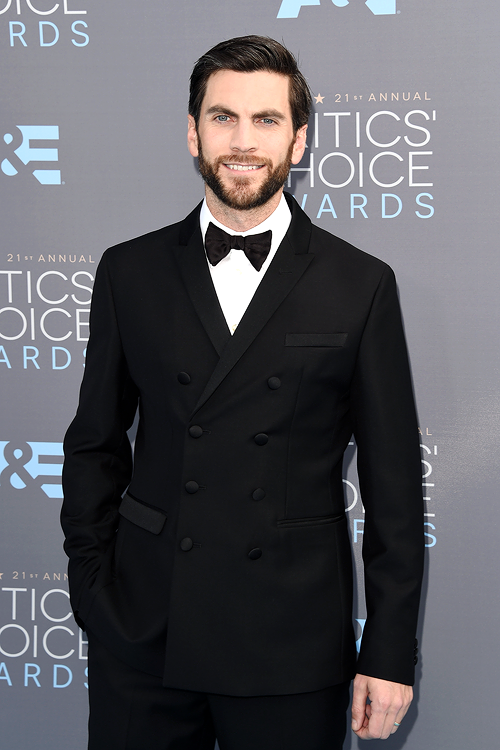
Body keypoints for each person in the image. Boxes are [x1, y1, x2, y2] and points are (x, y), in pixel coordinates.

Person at [61, 35, 424, 750]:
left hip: (289, 643)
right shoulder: (128, 272)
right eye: (223, 118)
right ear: (192, 132)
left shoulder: (360, 285)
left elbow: (394, 488)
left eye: (266, 121)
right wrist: (94, 592)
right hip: (144, 636)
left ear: (299, 140)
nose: (242, 142)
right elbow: (95, 444)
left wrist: (386, 651)